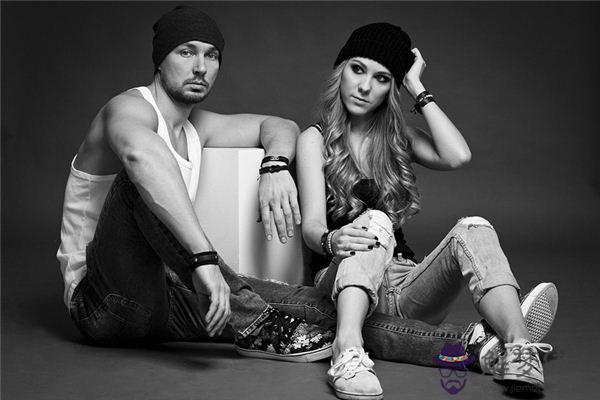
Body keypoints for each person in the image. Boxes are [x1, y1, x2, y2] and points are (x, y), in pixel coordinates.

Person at [56, 5, 336, 362]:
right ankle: (255, 322)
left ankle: (403, 339)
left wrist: (275, 166)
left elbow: (280, 126)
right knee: (138, 182)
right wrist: (204, 261)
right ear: (160, 60)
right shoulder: (127, 109)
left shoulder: (197, 128)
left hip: (166, 299)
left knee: (321, 306)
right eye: (186, 52)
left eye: (211, 55)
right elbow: (139, 156)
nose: (201, 67)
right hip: (102, 303)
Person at [296, 23, 558, 399]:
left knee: (474, 226)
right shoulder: (315, 138)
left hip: (404, 287)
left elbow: (457, 155)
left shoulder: (397, 138)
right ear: (342, 70)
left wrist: (416, 85)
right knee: (376, 220)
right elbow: (311, 228)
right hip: (341, 284)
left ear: (391, 88)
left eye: (381, 78)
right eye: (357, 69)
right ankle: (347, 349)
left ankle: (518, 346)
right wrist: (332, 239)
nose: (365, 86)